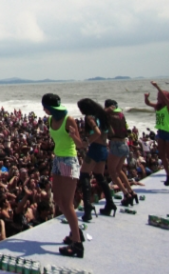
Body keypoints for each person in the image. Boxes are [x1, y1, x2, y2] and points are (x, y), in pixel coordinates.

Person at [41, 93, 84, 259]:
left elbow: (80, 144)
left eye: (45, 107)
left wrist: (73, 136)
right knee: (58, 199)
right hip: (58, 159)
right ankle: (76, 231)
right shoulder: (50, 120)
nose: (43, 109)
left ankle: (77, 244)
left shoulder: (69, 120)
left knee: (67, 203)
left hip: (69, 161)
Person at [76, 99, 115, 219]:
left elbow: (97, 132)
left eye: (80, 108)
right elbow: (111, 132)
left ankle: (88, 207)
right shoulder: (101, 116)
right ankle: (110, 203)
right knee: (99, 176)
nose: (80, 110)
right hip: (104, 149)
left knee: (84, 175)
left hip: (95, 148)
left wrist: (87, 142)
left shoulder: (90, 118)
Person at [144, 82, 169, 188]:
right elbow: (147, 103)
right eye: (158, 97)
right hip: (160, 132)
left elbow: (166, 99)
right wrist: (146, 97)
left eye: (159, 97)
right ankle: (168, 175)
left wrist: (157, 87)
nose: (158, 98)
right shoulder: (158, 107)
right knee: (162, 156)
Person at [103, 100, 137, 207]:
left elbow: (100, 113)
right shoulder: (121, 114)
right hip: (124, 143)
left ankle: (126, 194)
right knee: (119, 169)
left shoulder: (109, 114)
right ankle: (131, 191)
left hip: (116, 144)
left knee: (112, 172)